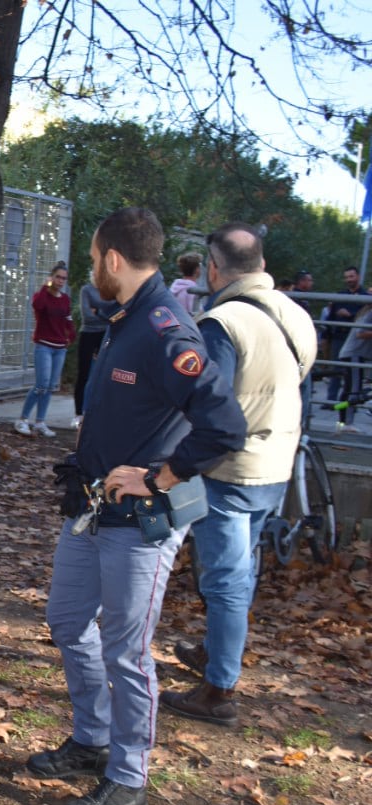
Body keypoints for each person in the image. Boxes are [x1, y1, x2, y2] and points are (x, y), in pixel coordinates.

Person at [26, 207, 245, 805]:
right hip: (90, 510)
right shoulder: (124, 318)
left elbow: (225, 428)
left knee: (126, 651)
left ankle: (128, 778)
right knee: (69, 622)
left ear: (112, 260)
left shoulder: (166, 330)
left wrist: (158, 477)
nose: (92, 269)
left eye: (95, 258)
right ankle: (91, 740)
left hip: (140, 523)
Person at [160, 223, 316, 728]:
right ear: (262, 264)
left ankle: (219, 689)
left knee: (224, 578)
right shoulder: (296, 315)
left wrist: (175, 464)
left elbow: (210, 404)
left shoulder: (222, 322)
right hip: (276, 464)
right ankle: (216, 653)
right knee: (240, 570)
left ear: (213, 267)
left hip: (231, 468)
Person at [14, 261, 76, 437]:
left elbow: (68, 320)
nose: (60, 281)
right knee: (41, 384)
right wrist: (46, 286)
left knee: (49, 387)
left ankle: (40, 422)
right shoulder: (41, 296)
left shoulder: (65, 299)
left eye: (63, 278)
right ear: (51, 277)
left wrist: (70, 336)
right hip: (44, 346)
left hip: (60, 348)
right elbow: (37, 306)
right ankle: (22, 419)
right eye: (57, 277)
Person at [322, 266, 366, 414]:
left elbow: (362, 319)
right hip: (338, 337)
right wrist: (326, 336)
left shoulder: (365, 297)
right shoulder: (340, 296)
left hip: (355, 340)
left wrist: (349, 316)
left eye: (351, 276)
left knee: (353, 376)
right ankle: (331, 401)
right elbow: (331, 317)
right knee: (335, 370)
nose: (349, 280)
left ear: (358, 277)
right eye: (346, 277)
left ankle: (350, 406)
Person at [72, 271, 113, 430]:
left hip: (105, 335)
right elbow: (87, 316)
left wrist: (99, 311)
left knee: (103, 374)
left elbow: (115, 313)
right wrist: (104, 314)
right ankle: (78, 413)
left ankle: (97, 413)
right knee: (84, 374)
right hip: (88, 333)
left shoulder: (109, 291)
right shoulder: (86, 290)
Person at [335, 301, 372, 432]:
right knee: (353, 390)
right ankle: (347, 423)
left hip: (353, 353)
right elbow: (360, 333)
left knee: (349, 388)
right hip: (354, 354)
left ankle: (341, 422)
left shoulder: (365, 311)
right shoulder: (369, 312)